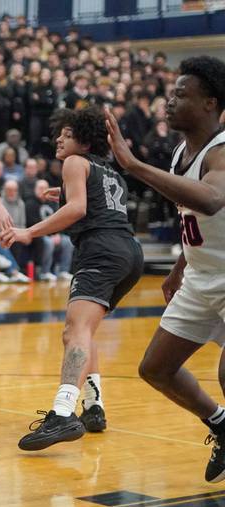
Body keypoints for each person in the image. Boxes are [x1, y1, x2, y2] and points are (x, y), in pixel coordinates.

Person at [104, 56, 225, 483]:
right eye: (170, 93)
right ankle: (221, 425)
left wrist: (134, 165)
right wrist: (179, 268)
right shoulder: (180, 152)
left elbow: (211, 201)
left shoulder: (222, 151)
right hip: (201, 276)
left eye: (180, 94)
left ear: (210, 102)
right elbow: (195, 219)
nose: (168, 101)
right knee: (155, 368)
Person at [0, 106, 144, 451]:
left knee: (74, 331)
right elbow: (92, 203)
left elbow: (78, 209)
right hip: (129, 253)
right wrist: (62, 194)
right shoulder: (111, 173)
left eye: (65, 134)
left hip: (100, 251)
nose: (58, 140)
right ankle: (93, 407)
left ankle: (63, 412)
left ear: (84, 138)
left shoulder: (74, 163)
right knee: (87, 330)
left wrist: (28, 232)